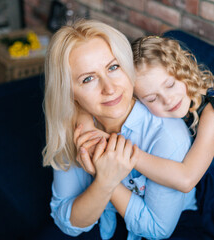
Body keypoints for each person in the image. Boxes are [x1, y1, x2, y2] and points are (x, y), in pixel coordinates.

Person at [78, 36, 214, 239]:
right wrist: (86, 123)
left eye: (170, 84)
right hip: (207, 201)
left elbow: (186, 179)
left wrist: (121, 152)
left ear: (182, 71)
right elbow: (81, 101)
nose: (168, 100)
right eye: (152, 98)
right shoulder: (163, 117)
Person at [42, 19, 197, 240]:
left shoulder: (166, 134)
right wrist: (104, 182)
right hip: (109, 224)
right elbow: (66, 221)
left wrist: (106, 178)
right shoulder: (75, 125)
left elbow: (158, 230)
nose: (110, 88)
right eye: (88, 79)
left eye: (113, 67)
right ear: (69, 93)